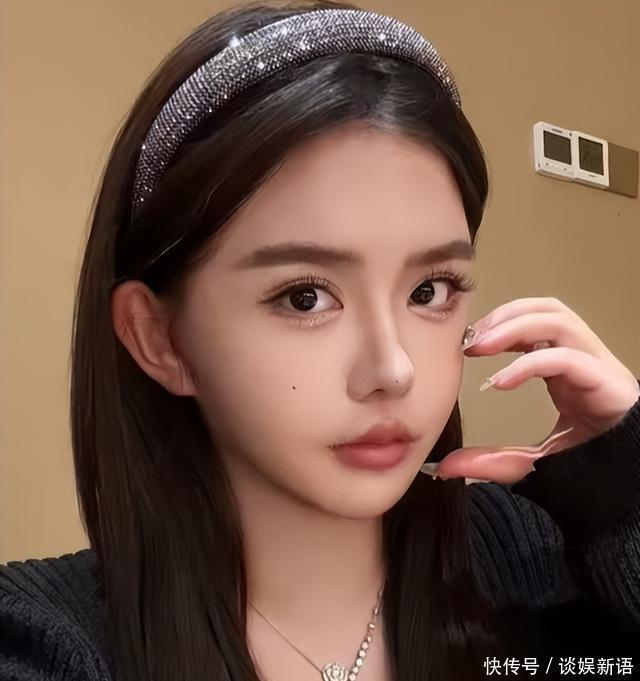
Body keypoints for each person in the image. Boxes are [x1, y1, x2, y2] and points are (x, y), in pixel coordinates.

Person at [1, 1, 639, 680]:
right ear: (159, 338)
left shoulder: (536, 561)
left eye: (430, 290)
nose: (393, 369)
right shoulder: (43, 642)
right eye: (305, 296)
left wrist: (624, 489)